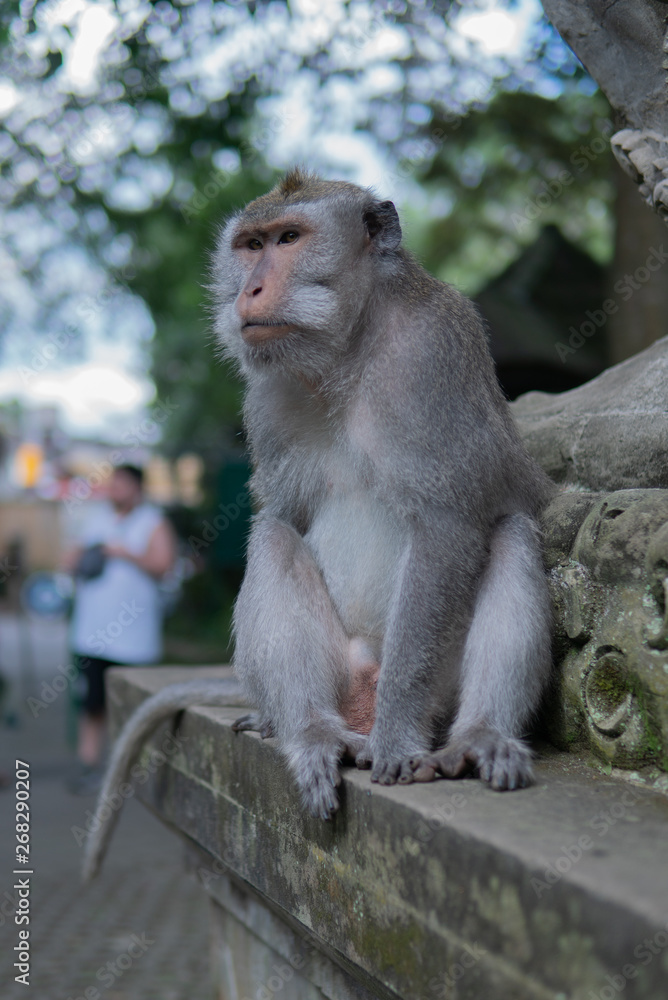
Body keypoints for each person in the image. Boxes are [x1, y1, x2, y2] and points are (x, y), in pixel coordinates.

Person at [64, 464, 176, 793]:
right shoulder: (95, 519)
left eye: (122, 484)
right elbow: (68, 560)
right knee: (92, 704)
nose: (115, 489)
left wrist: (124, 553)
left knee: (133, 706)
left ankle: (132, 773)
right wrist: (80, 556)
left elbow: (163, 566)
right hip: (91, 636)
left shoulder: (153, 522)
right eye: (113, 484)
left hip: (134, 641)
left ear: (137, 487)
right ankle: (90, 769)